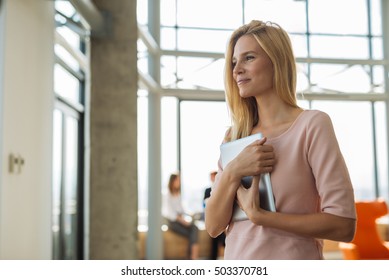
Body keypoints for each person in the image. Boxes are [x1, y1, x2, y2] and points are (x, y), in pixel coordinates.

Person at [204, 20, 356, 260]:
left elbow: (344, 225)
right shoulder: (235, 137)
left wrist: (262, 216)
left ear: (277, 60)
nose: (237, 70)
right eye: (234, 62)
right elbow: (213, 227)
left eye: (249, 58)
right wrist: (234, 170)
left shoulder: (311, 125)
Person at [165, 172, 199, 260]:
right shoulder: (167, 194)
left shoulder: (178, 194)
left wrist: (190, 215)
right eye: (177, 180)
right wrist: (183, 221)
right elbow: (170, 213)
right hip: (173, 222)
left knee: (194, 228)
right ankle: (193, 257)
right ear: (172, 181)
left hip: (180, 220)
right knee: (193, 231)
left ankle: (192, 257)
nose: (179, 182)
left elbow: (182, 210)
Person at [203, 171, 225, 259]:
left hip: (220, 215)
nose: (212, 178)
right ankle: (213, 258)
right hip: (212, 215)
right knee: (214, 235)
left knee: (221, 235)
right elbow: (204, 204)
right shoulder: (208, 190)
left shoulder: (221, 189)